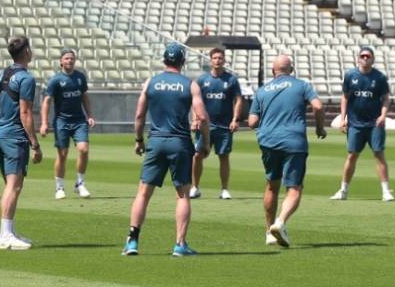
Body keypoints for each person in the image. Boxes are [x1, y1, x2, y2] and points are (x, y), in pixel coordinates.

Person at [123, 42, 210, 257]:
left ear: (164, 60)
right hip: (180, 142)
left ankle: (132, 241)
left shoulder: (151, 82)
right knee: (182, 195)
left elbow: (139, 116)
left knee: (143, 193)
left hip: (156, 141)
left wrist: (139, 139)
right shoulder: (190, 85)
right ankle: (180, 244)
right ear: (182, 62)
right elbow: (202, 117)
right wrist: (206, 142)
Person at [248, 54, 327, 249]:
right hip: (294, 141)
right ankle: (280, 223)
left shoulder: (262, 91)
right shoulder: (301, 85)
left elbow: (251, 122)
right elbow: (318, 106)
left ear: (273, 71)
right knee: (294, 188)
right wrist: (319, 128)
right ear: (291, 70)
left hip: (268, 141)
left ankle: (269, 232)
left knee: (271, 186)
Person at [0, 36, 43, 250]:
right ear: (27, 52)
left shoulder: (2, 74)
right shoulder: (26, 78)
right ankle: (4, 235)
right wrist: (35, 144)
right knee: (14, 186)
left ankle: (8, 230)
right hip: (15, 136)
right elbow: (25, 112)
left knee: (10, 185)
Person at [329, 46, 393, 202]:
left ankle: (386, 191)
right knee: (352, 155)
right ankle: (343, 190)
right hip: (356, 124)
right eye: (363, 56)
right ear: (358, 58)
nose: (365, 58)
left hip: (374, 124)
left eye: (368, 56)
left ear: (372, 59)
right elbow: (345, 97)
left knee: (379, 155)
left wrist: (383, 115)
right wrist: (343, 118)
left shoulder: (379, 77)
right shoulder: (351, 75)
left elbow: (385, 98)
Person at [40, 48, 94, 200]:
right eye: (66, 58)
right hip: (62, 121)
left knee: (83, 150)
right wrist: (44, 123)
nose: (69, 60)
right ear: (61, 61)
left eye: (72, 58)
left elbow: (84, 97)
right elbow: (47, 102)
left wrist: (90, 115)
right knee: (62, 155)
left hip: (79, 121)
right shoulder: (56, 80)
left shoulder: (80, 77)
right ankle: (59, 187)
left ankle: (80, 184)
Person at [189, 46, 241, 200]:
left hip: (224, 126)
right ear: (210, 60)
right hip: (205, 125)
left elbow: (238, 100)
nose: (218, 60)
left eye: (220, 58)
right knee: (198, 155)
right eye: (215, 58)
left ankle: (224, 189)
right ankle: (195, 187)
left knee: (223, 156)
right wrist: (194, 119)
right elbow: (195, 101)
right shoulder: (203, 80)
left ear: (224, 60)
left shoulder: (231, 80)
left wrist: (235, 119)